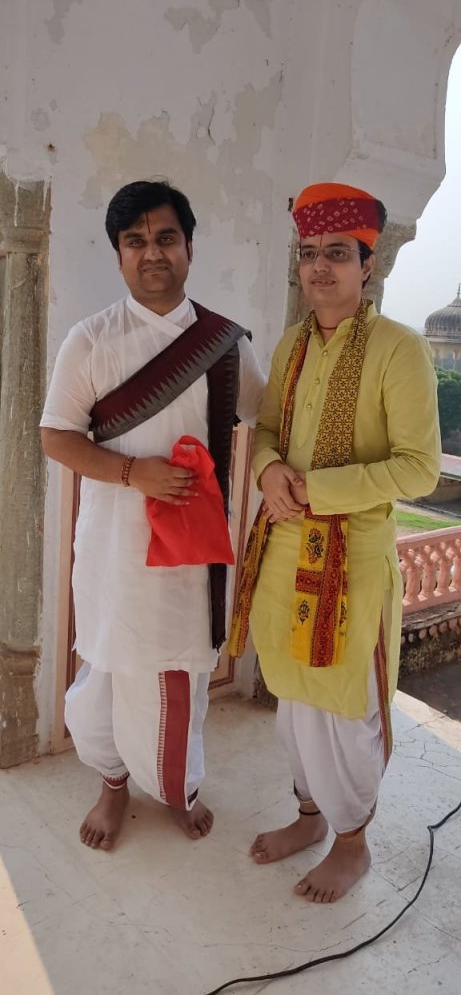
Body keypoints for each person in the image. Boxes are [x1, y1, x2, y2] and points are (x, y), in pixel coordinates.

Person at [229, 182, 441, 902]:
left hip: (353, 560)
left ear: (367, 265)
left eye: (337, 254)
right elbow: (263, 430)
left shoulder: (399, 350)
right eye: (309, 253)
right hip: (284, 546)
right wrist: (268, 471)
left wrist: (315, 488)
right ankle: (309, 816)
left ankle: (352, 843)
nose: (320, 267)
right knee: (294, 699)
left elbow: (418, 468)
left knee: (345, 705)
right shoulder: (291, 344)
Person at [41, 179, 265, 850]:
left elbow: (268, 418)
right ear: (119, 255)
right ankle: (111, 784)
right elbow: (56, 437)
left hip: (187, 558)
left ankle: (175, 789)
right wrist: (134, 473)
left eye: (166, 237)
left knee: (176, 677)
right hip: (113, 550)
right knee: (105, 671)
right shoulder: (91, 340)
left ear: (189, 247)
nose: (152, 252)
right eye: (134, 241)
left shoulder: (224, 344)